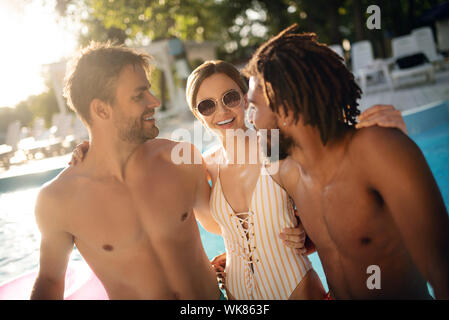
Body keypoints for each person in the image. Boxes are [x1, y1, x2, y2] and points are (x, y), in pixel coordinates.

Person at [72, 58, 407, 299]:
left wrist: (372, 133)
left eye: (230, 98)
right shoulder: (201, 166)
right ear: (197, 115)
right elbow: (139, 154)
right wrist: (94, 147)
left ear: (245, 96)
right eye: (207, 105)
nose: (222, 111)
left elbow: (334, 181)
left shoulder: (275, 146)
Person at [243, 24, 449, 299]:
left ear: (288, 113)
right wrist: (310, 236)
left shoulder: (377, 151)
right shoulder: (286, 172)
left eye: (254, 107)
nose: (250, 120)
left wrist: (397, 146)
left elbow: (442, 269)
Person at [31, 42, 221, 300]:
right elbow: (51, 282)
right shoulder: (58, 200)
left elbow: (224, 224)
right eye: (139, 95)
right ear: (101, 109)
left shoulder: (181, 158)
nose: (154, 101)